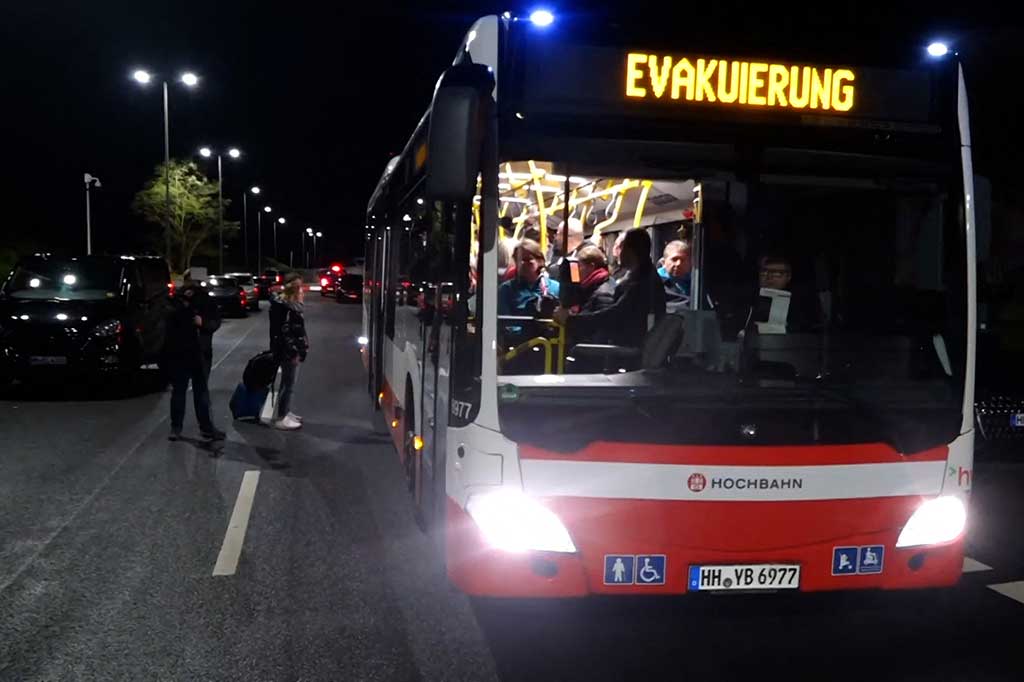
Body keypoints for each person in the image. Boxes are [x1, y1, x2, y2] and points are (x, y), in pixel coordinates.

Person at [554, 228, 666, 348]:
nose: (617, 253)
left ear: (631, 250)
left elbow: (615, 316)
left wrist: (571, 320)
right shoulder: (642, 277)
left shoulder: (642, 282)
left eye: (621, 247)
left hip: (626, 352)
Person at [163, 275, 225, 442]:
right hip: (181, 352)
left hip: (200, 353)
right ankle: (176, 427)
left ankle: (206, 428)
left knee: (201, 392)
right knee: (179, 391)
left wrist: (202, 322)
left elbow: (215, 322)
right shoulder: (175, 301)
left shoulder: (205, 300)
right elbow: (168, 326)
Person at [269, 274, 309, 431]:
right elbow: (287, 333)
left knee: (288, 383)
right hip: (287, 351)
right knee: (288, 384)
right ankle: (281, 417)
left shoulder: (289, 306)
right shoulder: (288, 308)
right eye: (298, 287)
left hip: (288, 349)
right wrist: (293, 352)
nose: (302, 291)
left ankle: (285, 412)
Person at [498, 238, 560, 315]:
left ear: (540, 261)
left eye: (528, 259)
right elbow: (506, 323)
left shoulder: (556, 288)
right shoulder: (506, 290)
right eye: (518, 259)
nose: (522, 263)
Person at [658, 240, 692, 311]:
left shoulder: (697, 284)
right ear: (663, 263)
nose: (678, 263)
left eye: (683, 260)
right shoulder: (655, 283)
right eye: (674, 259)